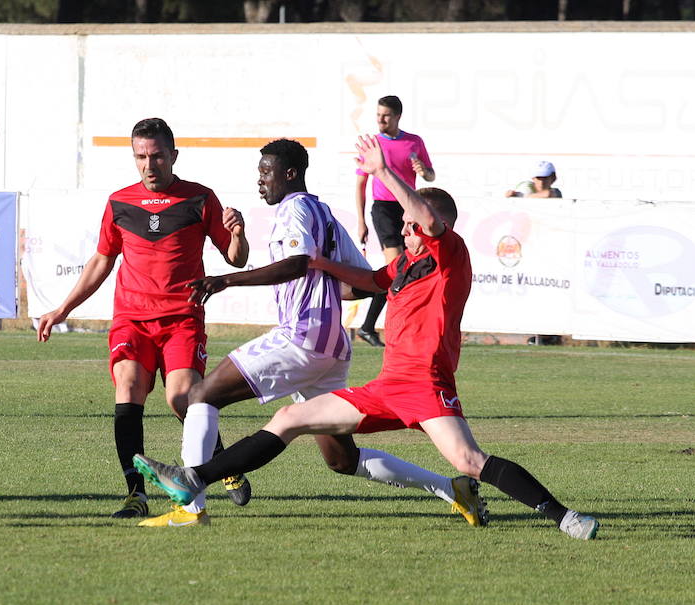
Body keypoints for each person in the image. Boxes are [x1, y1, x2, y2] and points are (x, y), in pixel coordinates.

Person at [134, 134, 600, 540]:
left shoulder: (448, 253)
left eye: (410, 223)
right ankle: (193, 478)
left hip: (425, 386)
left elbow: (428, 219)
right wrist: (316, 265)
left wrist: (384, 173)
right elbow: (368, 280)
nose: (404, 228)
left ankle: (564, 516)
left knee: (469, 459)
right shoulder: (405, 264)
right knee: (293, 421)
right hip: (385, 385)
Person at [37, 118, 251, 519]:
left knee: (181, 399)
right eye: (140, 157)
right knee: (129, 386)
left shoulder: (201, 199)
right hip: (132, 320)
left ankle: (223, 462)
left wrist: (237, 234)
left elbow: (235, 258)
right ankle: (135, 495)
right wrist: (62, 309)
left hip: (182, 319)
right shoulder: (120, 202)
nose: (148, 165)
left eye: (156, 156)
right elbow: (102, 260)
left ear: (173, 155)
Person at [355, 95, 435, 347]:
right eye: (378, 114)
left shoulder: (414, 142)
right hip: (383, 210)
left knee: (406, 268)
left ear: (397, 116)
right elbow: (360, 184)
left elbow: (430, 175)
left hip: (408, 209)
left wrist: (424, 171)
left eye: (386, 115)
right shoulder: (373, 144)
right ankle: (394, 331)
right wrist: (361, 220)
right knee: (399, 266)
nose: (380, 119)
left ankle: (369, 327)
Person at [506, 160, 564, 345]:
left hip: (551, 249)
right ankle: (539, 334)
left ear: (553, 178)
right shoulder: (529, 194)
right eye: (538, 179)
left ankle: (549, 334)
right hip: (530, 247)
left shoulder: (554, 193)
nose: (541, 182)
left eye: (545, 178)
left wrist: (520, 197)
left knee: (549, 292)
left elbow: (549, 194)